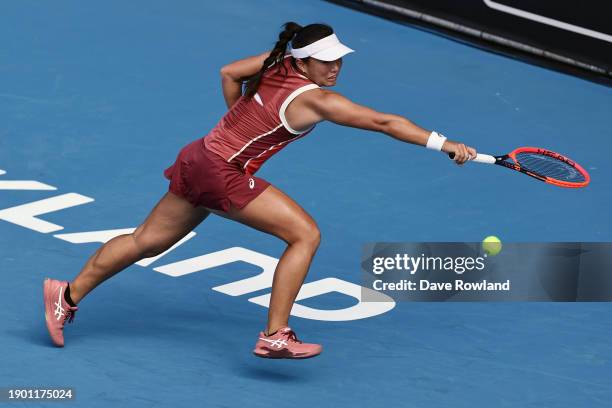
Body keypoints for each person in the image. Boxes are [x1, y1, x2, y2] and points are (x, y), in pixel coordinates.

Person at [43, 22, 476, 359]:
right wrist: (443, 143)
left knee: (146, 241)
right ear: (303, 63)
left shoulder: (275, 63)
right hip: (223, 172)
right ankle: (275, 336)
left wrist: (238, 116)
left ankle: (66, 295)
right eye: (325, 61)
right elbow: (383, 122)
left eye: (339, 59)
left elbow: (229, 72)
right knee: (305, 235)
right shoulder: (318, 100)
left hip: (199, 156)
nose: (335, 67)